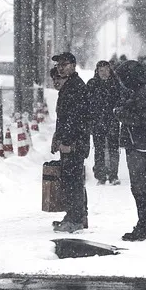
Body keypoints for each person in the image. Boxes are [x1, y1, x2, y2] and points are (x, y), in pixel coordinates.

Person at [113, 60, 146, 241]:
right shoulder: (139, 93)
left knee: (139, 187)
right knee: (137, 187)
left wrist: (119, 113)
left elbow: (140, 119)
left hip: (138, 144)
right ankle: (143, 224)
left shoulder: (142, 95)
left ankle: (144, 225)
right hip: (136, 143)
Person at [50, 52, 91, 233]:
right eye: (59, 65)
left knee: (73, 181)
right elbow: (64, 119)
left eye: (64, 64)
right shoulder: (69, 86)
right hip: (69, 142)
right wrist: (57, 137)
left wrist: (68, 141)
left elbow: (76, 119)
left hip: (74, 143)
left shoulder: (76, 87)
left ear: (73, 65)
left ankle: (75, 219)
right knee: (71, 179)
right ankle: (75, 216)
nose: (60, 67)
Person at [87, 60, 123, 185]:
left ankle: (113, 174)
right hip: (97, 121)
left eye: (106, 70)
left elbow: (121, 100)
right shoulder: (92, 84)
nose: (104, 73)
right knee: (99, 149)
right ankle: (101, 175)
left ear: (110, 70)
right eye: (101, 70)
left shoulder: (115, 84)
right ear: (97, 71)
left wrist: (117, 112)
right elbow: (87, 103)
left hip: (112, 120)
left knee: (113, 148)